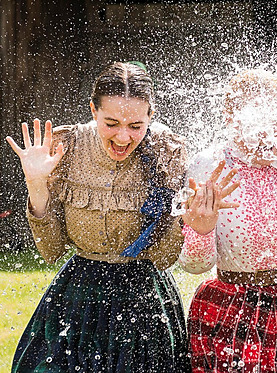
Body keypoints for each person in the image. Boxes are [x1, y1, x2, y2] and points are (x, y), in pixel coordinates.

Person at [5, 62, 237, 372]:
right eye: (111, 123)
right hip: (79, 293)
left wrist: (186, 222)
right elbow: (50, 251)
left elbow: (162, 257)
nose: (123, 137)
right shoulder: (66, 147)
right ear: (93, 110)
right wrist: (36, 185)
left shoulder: (167, 152)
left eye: (136, 126)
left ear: (150, 115)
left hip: (144, 297)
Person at [179, 69, 277, 373]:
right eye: (257, 124)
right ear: (230, 118)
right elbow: (194, 265)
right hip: (232, 309)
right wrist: (201, 230)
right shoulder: (209, 166)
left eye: (276, 122)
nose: (268, 134)